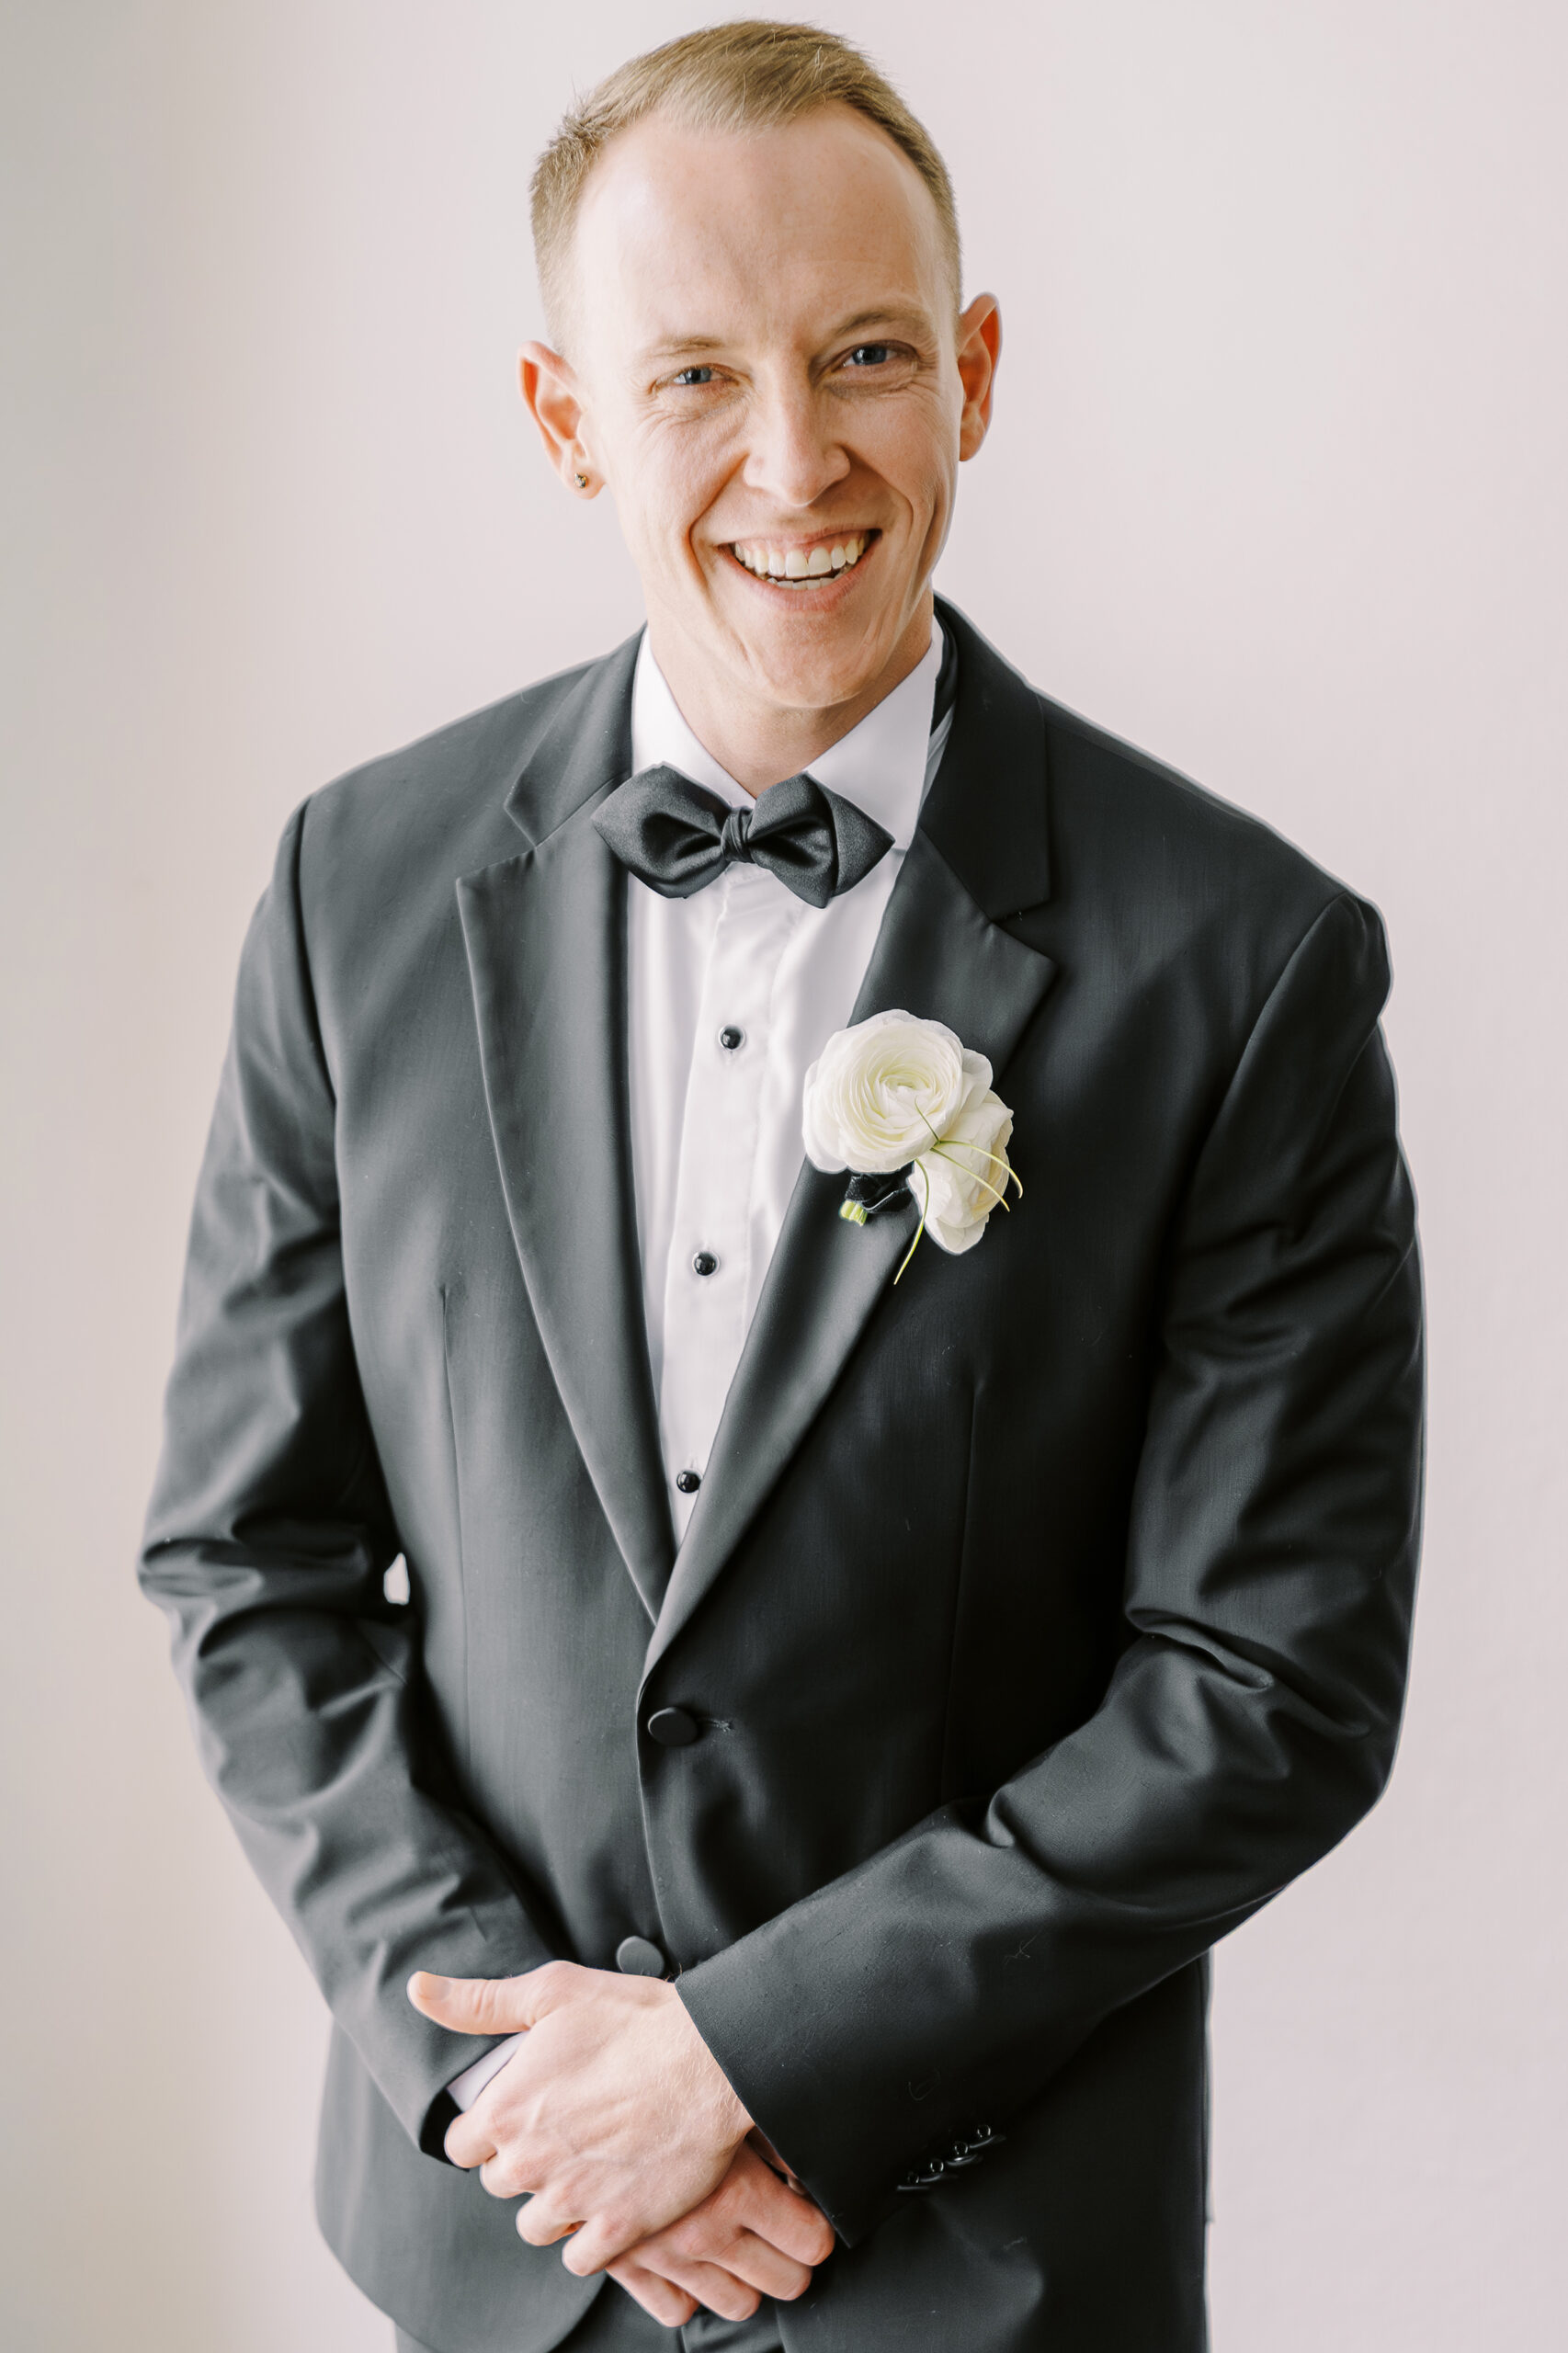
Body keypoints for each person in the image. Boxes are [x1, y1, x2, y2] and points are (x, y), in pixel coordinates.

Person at [140, 20, 1425, 2353]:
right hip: (490, 2250)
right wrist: (511, 2088)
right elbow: (251, 1557)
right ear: (561, 419)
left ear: (977, 372)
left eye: (863, 356)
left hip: (984, 2263)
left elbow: (1270, 1679)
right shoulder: (355, 886)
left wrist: (745, 2062)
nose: (794, 458)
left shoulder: (1240, 964)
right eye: (695, 379)